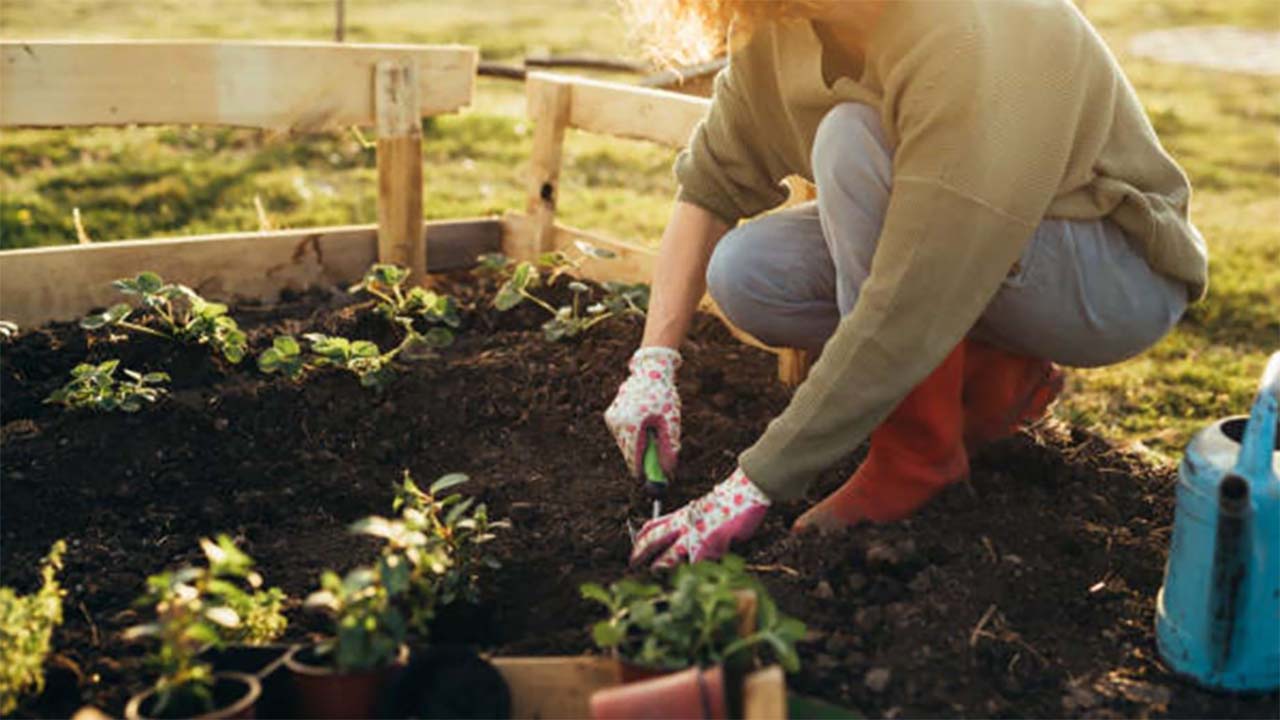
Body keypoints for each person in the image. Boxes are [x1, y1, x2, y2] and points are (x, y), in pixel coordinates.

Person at [603, 0, 1207, 569]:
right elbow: (712, 182)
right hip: (970, 241)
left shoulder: (960, 28)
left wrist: (754, 482)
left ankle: (917, 454)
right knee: (748, 274)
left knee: (849, 142)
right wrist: (653, 364)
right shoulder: (788, 27)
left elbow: (911, 296)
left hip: (1108, 269)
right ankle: (988, 374)